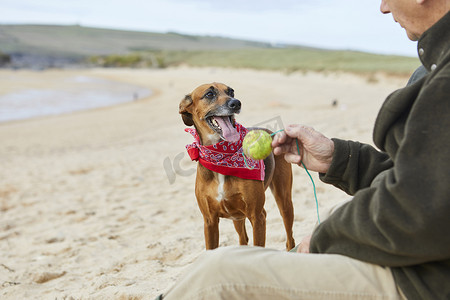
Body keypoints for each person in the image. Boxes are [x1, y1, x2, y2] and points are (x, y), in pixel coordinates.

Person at [158, 1, 450, 299]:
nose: (383, 7)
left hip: (425, 278)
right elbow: (420, 178)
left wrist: (325, 235)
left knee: (218, 272)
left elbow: (418, 207)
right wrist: (339, 157)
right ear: (189, 110)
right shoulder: (435, 68)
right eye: (212, 96)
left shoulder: (443, 80)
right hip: (417, 260)